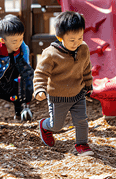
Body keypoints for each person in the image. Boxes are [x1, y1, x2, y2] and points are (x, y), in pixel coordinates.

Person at [34, 11, 94, 156]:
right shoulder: (51, 54)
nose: (77, 43)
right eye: (72, 40)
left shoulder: (83, 49)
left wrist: (88, 85)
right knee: (57, 125)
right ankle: (45, 125)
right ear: (60, 37)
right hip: (58, 96)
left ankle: (82, 144)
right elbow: (41, 73)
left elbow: (86, 69)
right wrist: (39, 89)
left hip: (78, 93)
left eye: (80, 38)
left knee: (81, 121)